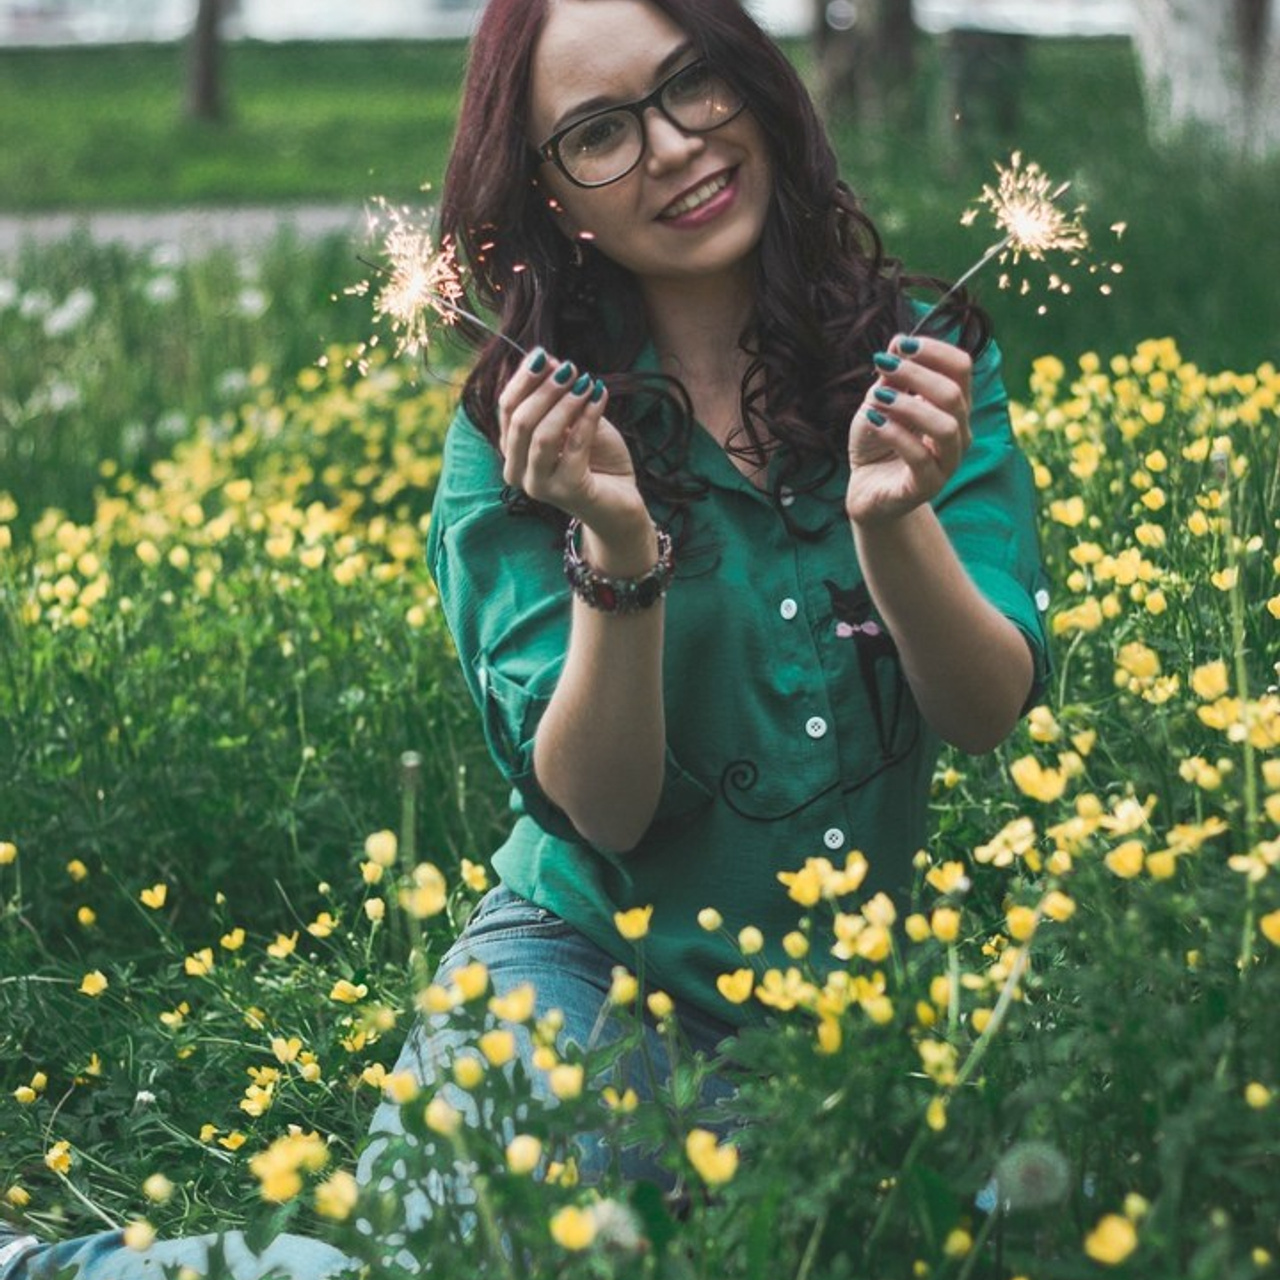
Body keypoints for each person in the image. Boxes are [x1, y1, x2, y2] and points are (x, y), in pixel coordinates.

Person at [0, 0, 1049, 1274]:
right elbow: (603, 812)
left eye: (691, 86)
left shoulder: (919, 365)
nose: (671, 147)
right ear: (550, 198)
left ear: (755, 86)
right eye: (600, 131)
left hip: (844, 1028)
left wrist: (889, 524)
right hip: (579, 980)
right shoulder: (515, 444)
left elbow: (984, 708)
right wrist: (617, 552)